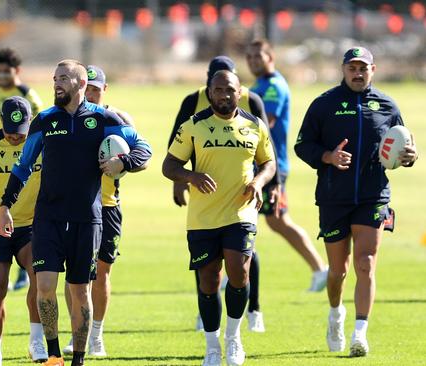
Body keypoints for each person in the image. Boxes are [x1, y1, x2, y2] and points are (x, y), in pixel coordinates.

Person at [0, 59, 152, 366]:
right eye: (55, 78)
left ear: (81, 85)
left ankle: (79, 359)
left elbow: (144, 148)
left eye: (64, 78)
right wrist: (4, 206)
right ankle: (54, 355)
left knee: (81, 291)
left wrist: (124, 163)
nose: (57, 83)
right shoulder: (44, 120)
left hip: (87, 218)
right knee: (44, 288)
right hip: (48, 218)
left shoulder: (104, 118)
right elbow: (23, 166)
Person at [295, 47, 418, 357]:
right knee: (338, 271)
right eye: (352, 67)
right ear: (344, 69)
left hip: (372, 196)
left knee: (366, 263)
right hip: (334, 197)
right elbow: (302, 145)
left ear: (373, 70)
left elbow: (402, 145)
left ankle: (360, 333)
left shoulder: (388, 106)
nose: (358, 72)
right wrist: (327, 156)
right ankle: (336, 314)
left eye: (363, 67)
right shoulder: (324, 104)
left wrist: (409, 157)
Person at [163, 70, 276, 366]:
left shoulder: (255, 126)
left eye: (229, 90)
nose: (224, 95)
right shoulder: (194, 126)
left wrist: (259, 182)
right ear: (209, 92)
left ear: (240, 93)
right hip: (202, 218)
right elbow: (169, 165)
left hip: (241, 213)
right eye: (218, 90)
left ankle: (233, 338)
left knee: (239, 271)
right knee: (209, 280)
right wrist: (192, 176)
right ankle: (212, 346)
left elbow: (269, 163)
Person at [246, 39, 329, 299]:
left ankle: (233, 275)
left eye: (258, 55)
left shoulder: (272, 87)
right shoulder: (259, 85)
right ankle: (319, 269)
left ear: (271, 56)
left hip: (271, 167)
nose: (253, 61)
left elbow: (263, 123)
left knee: (266, 219)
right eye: (249, 57)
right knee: (274, 220)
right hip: (259, 165)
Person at [62, 65, 135, 357]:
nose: (90, 93)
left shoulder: (115, 120)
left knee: (102, 271)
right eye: (86, 87)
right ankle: (75, 332)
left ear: (104, 90)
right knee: (75, 275)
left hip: (107, 206)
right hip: (76, 206)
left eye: (95, 88)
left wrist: (124, 161)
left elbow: (139, 155)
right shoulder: (67, 117)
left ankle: (96, 335)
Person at [0, 96, 48, 365]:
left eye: (21, 133)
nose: (16, 138)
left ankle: (36, 341)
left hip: (32, 226)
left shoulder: (42, 145)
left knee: (40, 279)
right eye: (10, 132)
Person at [0, 48, 44, 291]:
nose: (2, 76)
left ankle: (22, 271)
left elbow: (39, 128)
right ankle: (3, 268)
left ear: (17, 71)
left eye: (6, 71)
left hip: (22, 156)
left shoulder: (29, 96)